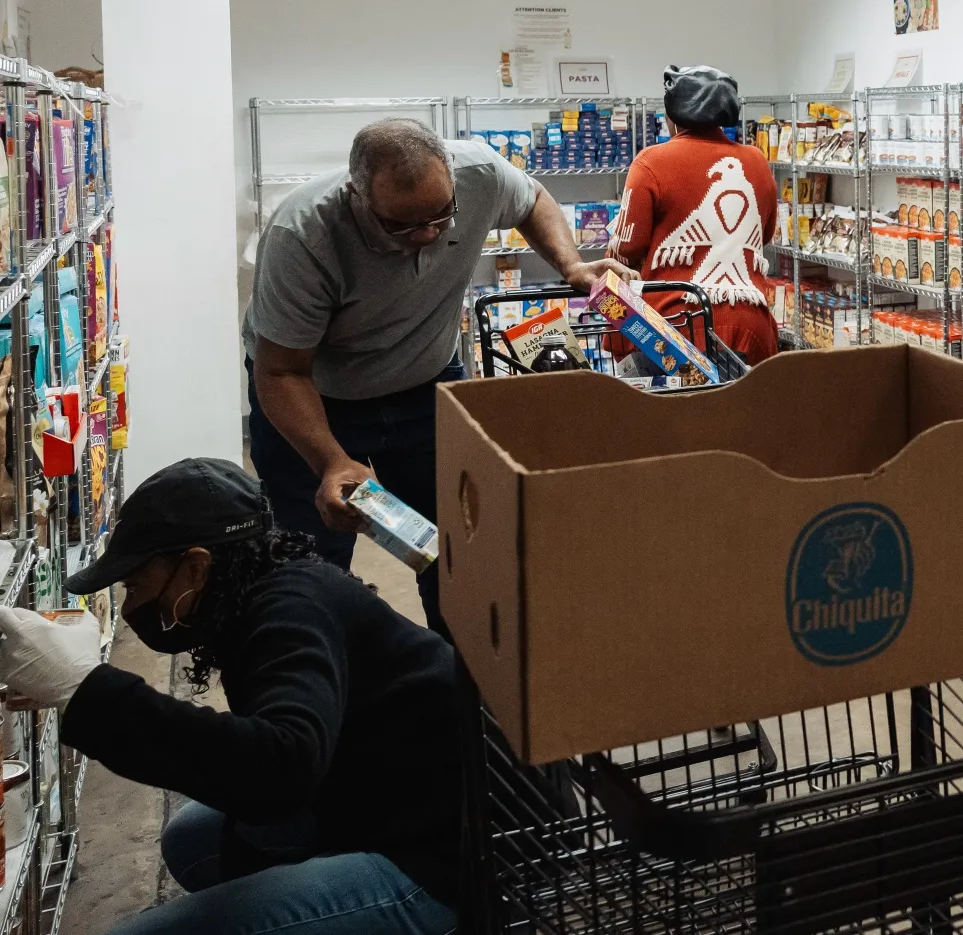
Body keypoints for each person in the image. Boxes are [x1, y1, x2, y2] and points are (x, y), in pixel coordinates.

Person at [0, 458, 459, 935]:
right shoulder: (255, 593)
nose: (131, 604)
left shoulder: (291, 612)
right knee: (192, 842)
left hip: (441, 856)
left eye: (136, 584)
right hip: (376, 792)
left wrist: (87, 691)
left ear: (197, 566)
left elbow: (282, 768)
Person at [244, 118, 621, 631]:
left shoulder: (479, 172)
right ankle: (330, 692)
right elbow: (281, 372)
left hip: (425, 386)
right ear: (358, 196)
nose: (426, 235)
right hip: (320, 402)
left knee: (453, 547)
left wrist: (571, 266)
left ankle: (460, 684)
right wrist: (332, 461)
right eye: (401, 224)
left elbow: (532, 199)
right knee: (309, 565)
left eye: (442, 217)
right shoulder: (303, 234)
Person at [609, 66, 781, 365]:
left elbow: (627, 248)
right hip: (750, 325)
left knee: (675, 412)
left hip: (674, 327)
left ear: (671, 115)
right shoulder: (756, 160)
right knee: (744, 412)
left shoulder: (652, 161)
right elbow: (763, 236)